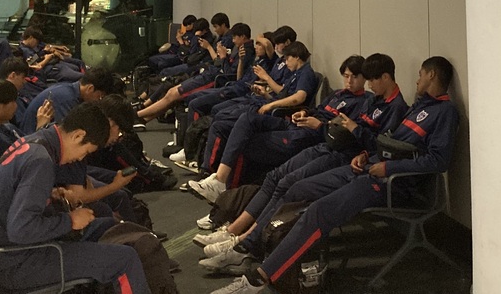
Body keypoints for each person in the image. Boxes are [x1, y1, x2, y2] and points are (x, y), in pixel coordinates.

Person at [205, 56, 459, 294]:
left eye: (421, 75)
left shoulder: (444, 112)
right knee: (294, 188)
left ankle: (258, 279)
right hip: (365, 167)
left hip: (390, 183)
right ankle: (249, 245)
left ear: (432, 75)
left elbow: (438, 161)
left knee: (318, 211)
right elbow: (387, 144)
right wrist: (365, 155)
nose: (417, 80)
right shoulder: (418, 107)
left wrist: (388, 168)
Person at [196, 53, 408, 267]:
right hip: (328, 145)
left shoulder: (386, 105)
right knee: (274, 176)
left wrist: (335, 129)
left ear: (385, 77)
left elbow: (375, 144)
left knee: (289, 185)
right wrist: (306, 114)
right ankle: (235, 232)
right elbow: (352, 131)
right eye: (346, 76)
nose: (367, 84)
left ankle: (246, 241)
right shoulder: (367, 99)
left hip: (340, 154)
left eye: (367, 78)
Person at [0, 102, 151, 292]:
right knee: (125, 259)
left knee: (106, 225)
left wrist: (49, 195)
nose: (80, 159)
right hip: (18, 262)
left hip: (7, 253)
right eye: (85, 152)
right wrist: (70, 221)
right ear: (78, 135)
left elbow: (14, 194)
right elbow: (20, 229)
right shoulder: (40, 162)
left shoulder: (35, 142)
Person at [187, 51, 363, 200]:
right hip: (293, 123)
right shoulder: (337, 94)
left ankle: (226, 193)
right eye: (346, 76)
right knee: (247, 119)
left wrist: (319, 125)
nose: (349, 81)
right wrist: (304, 113)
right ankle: (218, 179)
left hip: (310, 136)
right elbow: (316, 109)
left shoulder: (362, 102)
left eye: (354, 77)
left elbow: (343, 135)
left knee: (245, 142)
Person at [0, 78, 54, 172]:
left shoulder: (8, 127)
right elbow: (26, 164)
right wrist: (41, 127)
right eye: (12, 102)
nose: (16, 106)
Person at [20, 66, 117, 134]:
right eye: (99, 97)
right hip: (31, 139)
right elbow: (64, 134)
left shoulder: (69, 89)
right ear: (90, 88)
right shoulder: (66, 100)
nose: (98, 101)